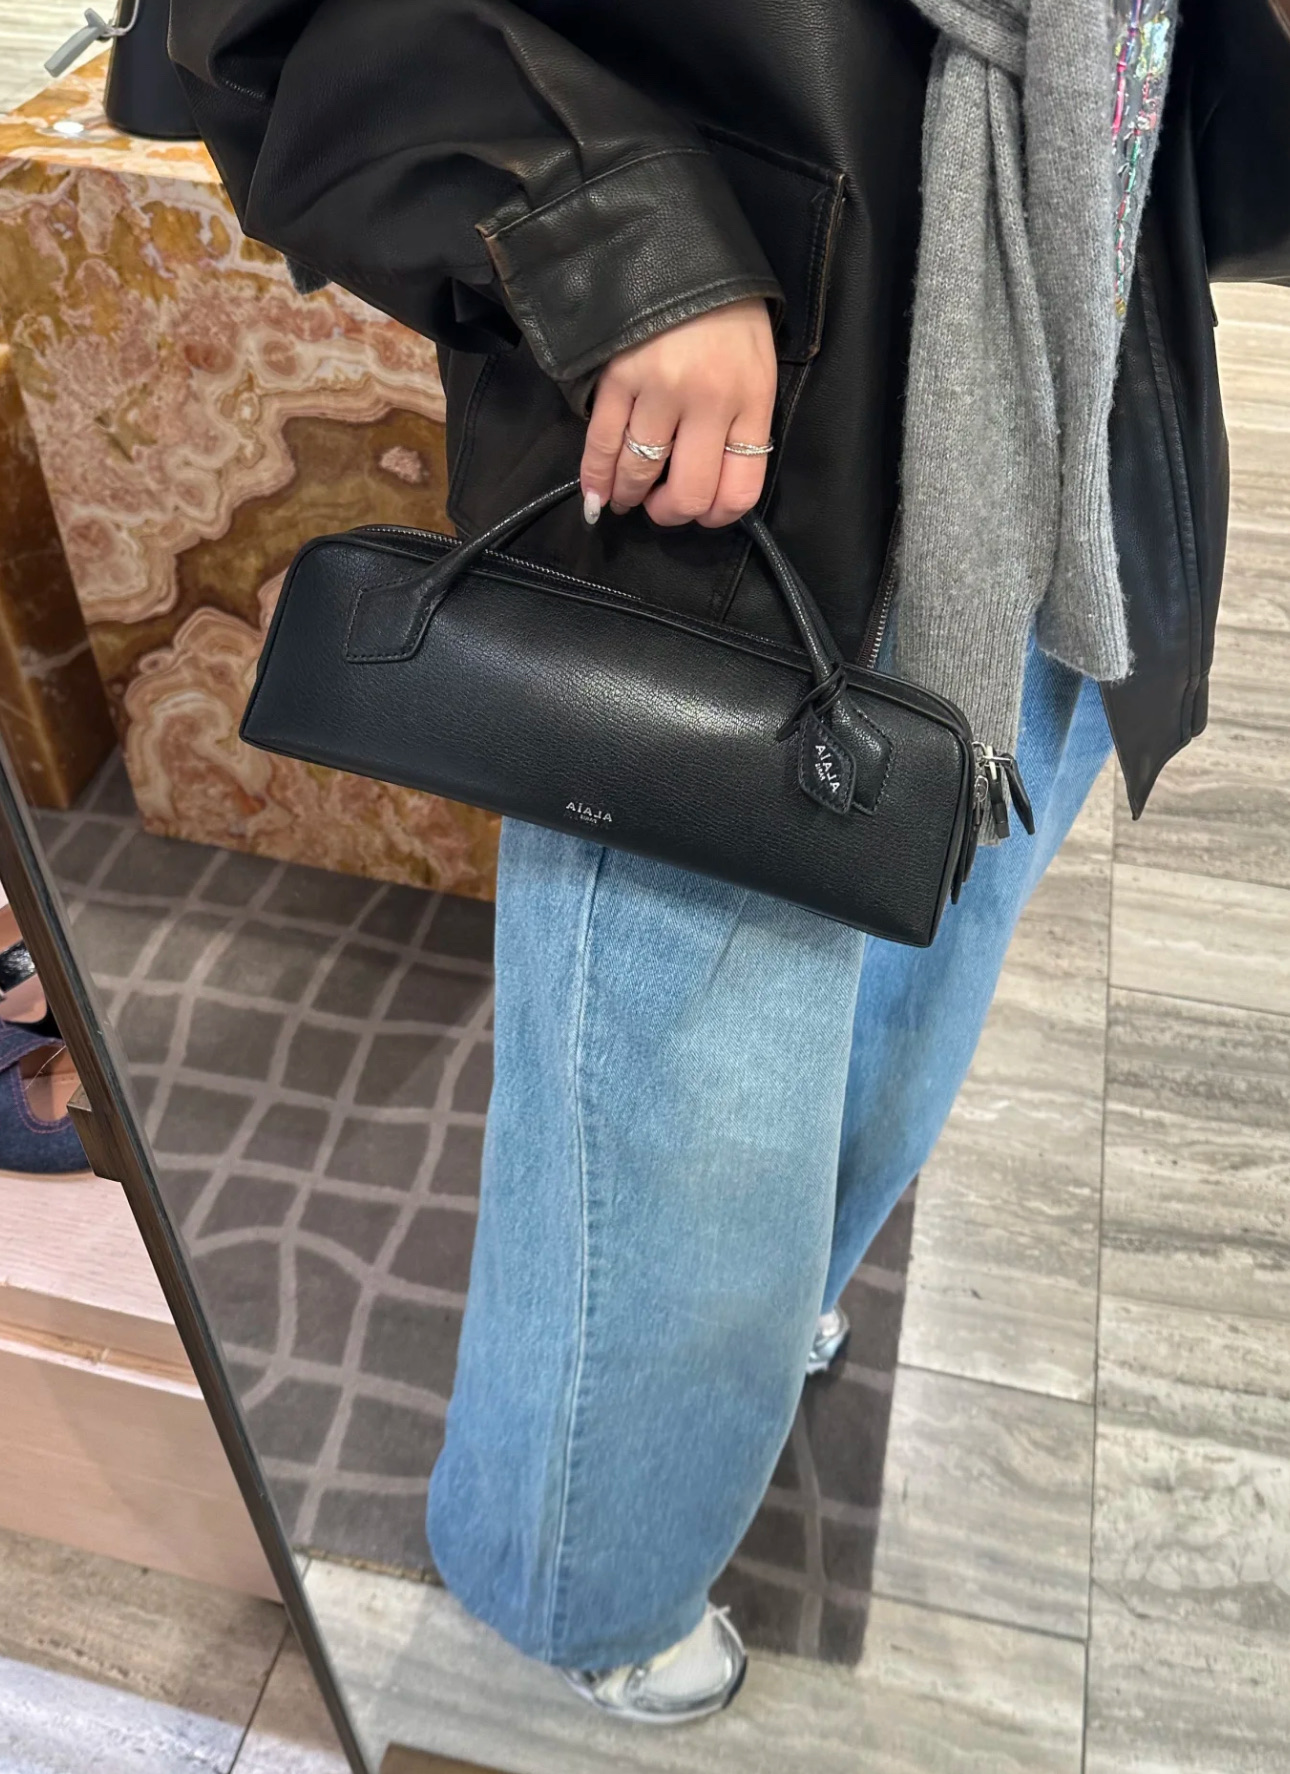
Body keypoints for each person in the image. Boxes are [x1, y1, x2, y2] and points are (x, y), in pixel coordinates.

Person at [174, 0, 1289, 1727]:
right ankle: (581, 1576)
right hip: (742, 456)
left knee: (915, 992)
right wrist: (612, 235)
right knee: (672, 1098)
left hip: (1060, 395)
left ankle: (771, 1312)